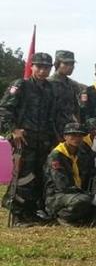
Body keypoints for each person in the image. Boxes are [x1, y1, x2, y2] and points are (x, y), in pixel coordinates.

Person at [0, 52, 56, 225]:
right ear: (31, 66)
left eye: (46, 67)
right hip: (24, 139)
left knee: (38, 175)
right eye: (39, 66)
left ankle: (30, 211)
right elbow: (4, 110)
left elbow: (51, 116)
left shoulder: (49, 89)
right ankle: (17, 213)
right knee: (23, 176)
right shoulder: (21, 85)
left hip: (43, 140)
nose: (42, 70)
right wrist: (13, 130)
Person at [44, 123, 96, 225]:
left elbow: (89, 171)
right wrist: (90, 197)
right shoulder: (56, 156)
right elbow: (63, 186)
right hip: (57, 196)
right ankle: (61, 216)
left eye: (80, 136)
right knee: (83, 201)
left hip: (76, 193)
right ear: (65, 137)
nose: (77, 138)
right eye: (73, 135)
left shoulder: (81, 153)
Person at [48, 50, 84, 137]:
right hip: (51, 130)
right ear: (57, 64)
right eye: (66, 64)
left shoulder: (74, 85)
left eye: (72, 64)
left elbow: (77, 109)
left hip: (70, 131)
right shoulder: (48, 83)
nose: (70, 67)